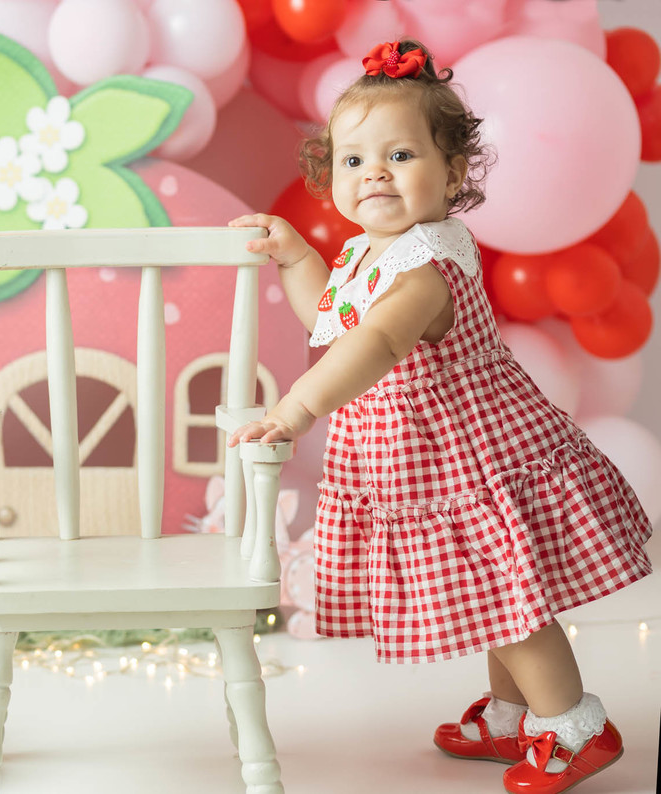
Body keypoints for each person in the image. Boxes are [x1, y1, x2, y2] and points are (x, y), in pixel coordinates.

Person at [227, 39, 652, 794]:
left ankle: (574, 725)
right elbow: (332, 319)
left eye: (400, 155)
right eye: (354, 160)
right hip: (424, 460)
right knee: (495, 595)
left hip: (466, 456)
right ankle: (513, 715)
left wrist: (296, 408)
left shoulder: (425, 265)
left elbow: (376, 342)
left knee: (511, 598)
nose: (375, 173)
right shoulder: (368, 254)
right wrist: (296, 257)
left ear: (452, 173)